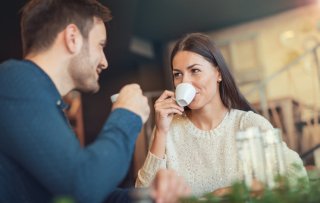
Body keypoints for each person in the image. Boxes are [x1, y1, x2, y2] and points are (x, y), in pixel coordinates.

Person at [0, 0, 190, 203]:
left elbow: (89, 193)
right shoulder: (13, 80)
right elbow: (84, 185)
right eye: (100, 45)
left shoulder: (44, 100)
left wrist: (150, 196)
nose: (105, 62)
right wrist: (127, 114)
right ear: (72, 38)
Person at [135, 32, 308, 196]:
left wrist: (232, 191)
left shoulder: (249, 125)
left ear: (218, 73)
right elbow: (144, 195)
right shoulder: (168, 131)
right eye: (178, 74)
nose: (184, 82)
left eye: (194, 70)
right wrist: (161, 131)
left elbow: (297, 176)